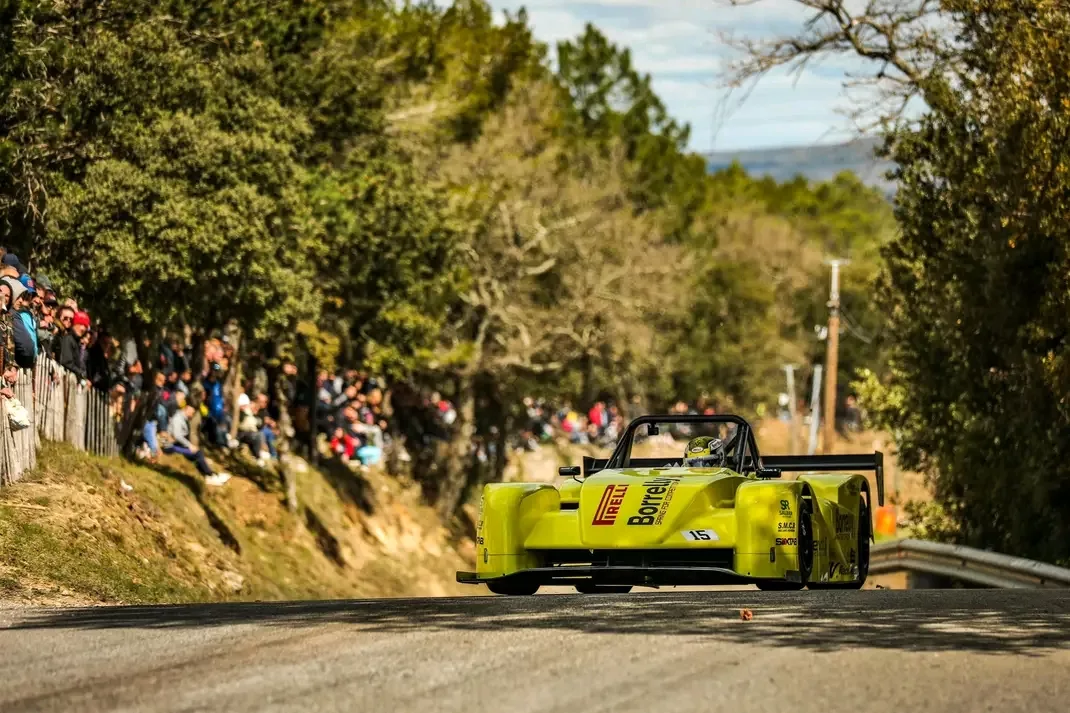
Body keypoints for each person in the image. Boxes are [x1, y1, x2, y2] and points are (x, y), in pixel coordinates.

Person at [166, 397, 231, 486]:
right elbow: (177, 436)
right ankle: (209, 476)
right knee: (197, 453)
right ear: (188, 408)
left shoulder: (183, 418)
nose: (193, 414)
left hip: (177, 445)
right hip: (170, 447)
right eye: (192, 411)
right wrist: (189, 445)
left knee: (197, 455)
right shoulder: (178, 418)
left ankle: (211, 475)